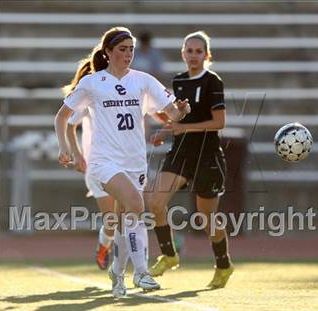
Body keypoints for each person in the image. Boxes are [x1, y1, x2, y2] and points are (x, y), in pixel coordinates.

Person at [55, 26, 190, 298]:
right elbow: (62, 117)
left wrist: (182, 111)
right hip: (104, 161)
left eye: (131, 49)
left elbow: (173, 115)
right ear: (108, 52)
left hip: (135, 161)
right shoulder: (92, 83)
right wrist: (65, 148)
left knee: (126, 217)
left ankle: (117, 272)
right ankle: (141, 272)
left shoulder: (143, 80)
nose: (128, 54)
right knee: (136, 205)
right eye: (122, 49)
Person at [146, 31, 234, 288]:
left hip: (207, 156)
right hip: (181, 153)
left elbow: (220, 122)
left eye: (198, 51)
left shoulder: (213, 81)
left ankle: (223, 264)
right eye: (189, 50)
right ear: (182, 53)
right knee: (155, 201)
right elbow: (181, 116)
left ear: (206, 55)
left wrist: (185, 128)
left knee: (207, 218)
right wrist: (166, 129)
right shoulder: (179, 81)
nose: (193, 55)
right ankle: (169, 254)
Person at [66, 109, 115, 270]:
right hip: (97, 166)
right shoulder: (90, 92)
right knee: (112, 220)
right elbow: (68, 124)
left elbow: (157, 108)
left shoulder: (130, 89)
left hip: (127, 163)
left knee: (132, 214)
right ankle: (104, 244)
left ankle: (137, 269)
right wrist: (77, 154)